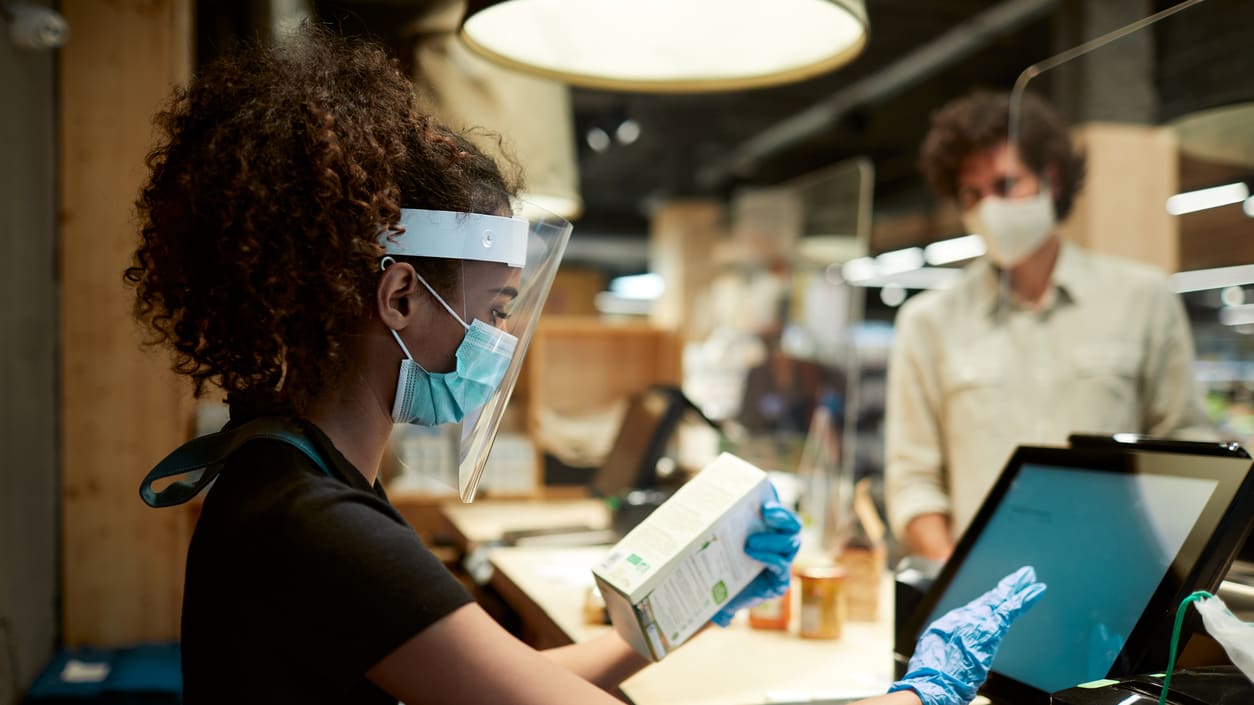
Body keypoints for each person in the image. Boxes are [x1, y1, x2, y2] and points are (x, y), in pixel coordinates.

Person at [127, 27, 1042, 705]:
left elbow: (503, 677)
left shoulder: (288, 477)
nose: (496, 341)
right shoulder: (315, 525)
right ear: (399, 298)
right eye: (490, 310)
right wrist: (917, 696)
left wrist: (673, 607)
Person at [885, 90, 1216, 563]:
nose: (989, 208)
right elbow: (913, 478)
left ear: (1052, 179)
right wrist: (960, 584)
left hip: (1115, 577)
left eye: (1006, 184)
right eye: (971, 194)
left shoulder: (1140, 299)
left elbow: (1187, 446)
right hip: (980, 587)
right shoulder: (928, 323)